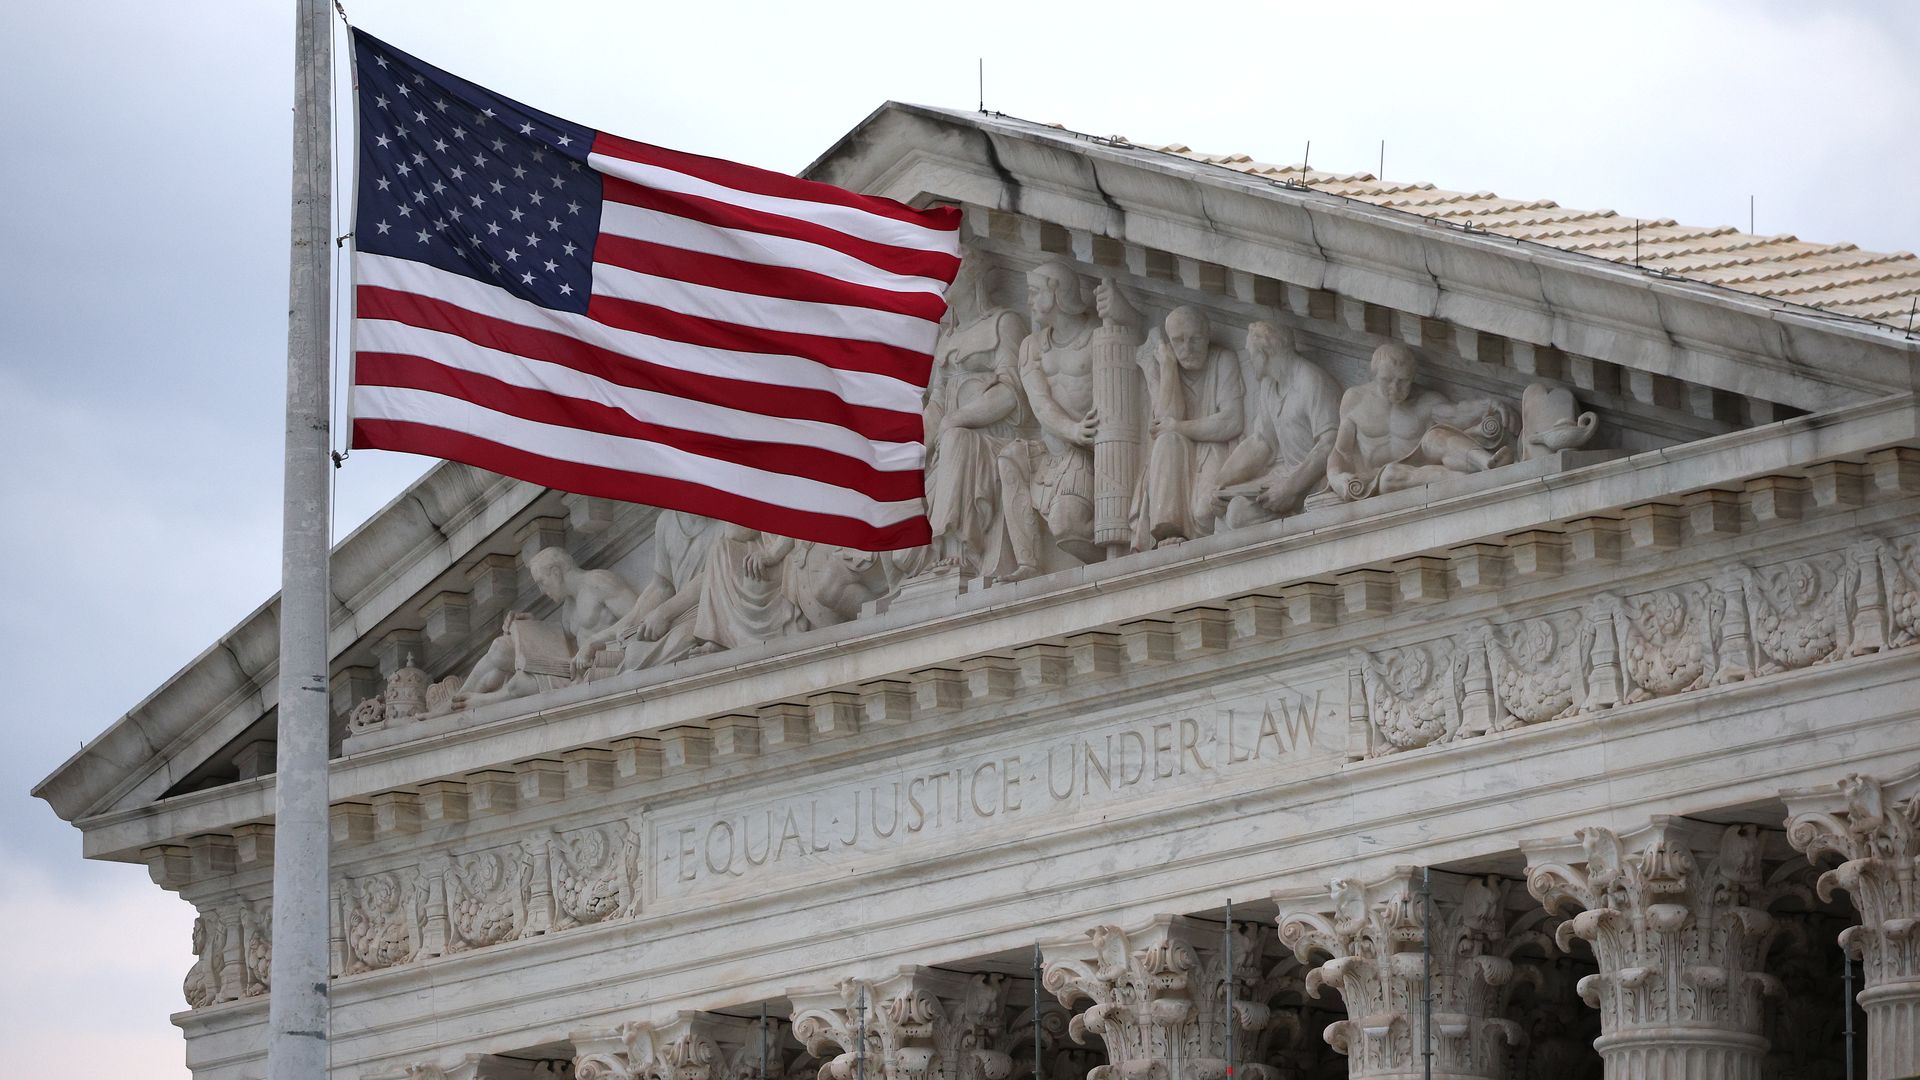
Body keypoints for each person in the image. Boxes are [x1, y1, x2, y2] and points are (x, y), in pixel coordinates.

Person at [1327, 342, 1514, 499]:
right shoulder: (1355, 399)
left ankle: (1487, 462)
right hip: (1381, 475)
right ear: (1374, 374)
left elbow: (1456, 414)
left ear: (1413, 377)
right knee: (1390, 475)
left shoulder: (1426, 400)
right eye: (1387, 380)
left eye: (1403, 381)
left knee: (1436, 436)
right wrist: (1335, 478)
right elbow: (1342, 452)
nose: (1395, 387)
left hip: (1423, 458)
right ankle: (1462, 478)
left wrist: (1488, 405)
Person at [1132, 305, 1244, 548]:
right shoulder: (1169, 362)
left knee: (1205, 513)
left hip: (1214, 449)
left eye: (1195, 339)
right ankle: (1169, 528)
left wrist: (1179, 427)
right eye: (1178, 341)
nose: (1187, 348)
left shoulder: (1223, 360)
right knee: (1167, 441)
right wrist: (1168, 366)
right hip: (1177, 455)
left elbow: (1232, 421)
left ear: (1208, 334)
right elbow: (1166, 418)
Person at [1212, 321, 1341, 528]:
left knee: (1238, 517)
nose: (1249, 360)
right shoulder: (1269, 386)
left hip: (1314, 481)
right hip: (1284, 476)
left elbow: (1329, 444)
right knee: (1227, 512)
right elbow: (1261, 443)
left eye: (1251, 354)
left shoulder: (1311, 381)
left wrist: (1290, 488)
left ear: (1265, 353)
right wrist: (1222, 484)